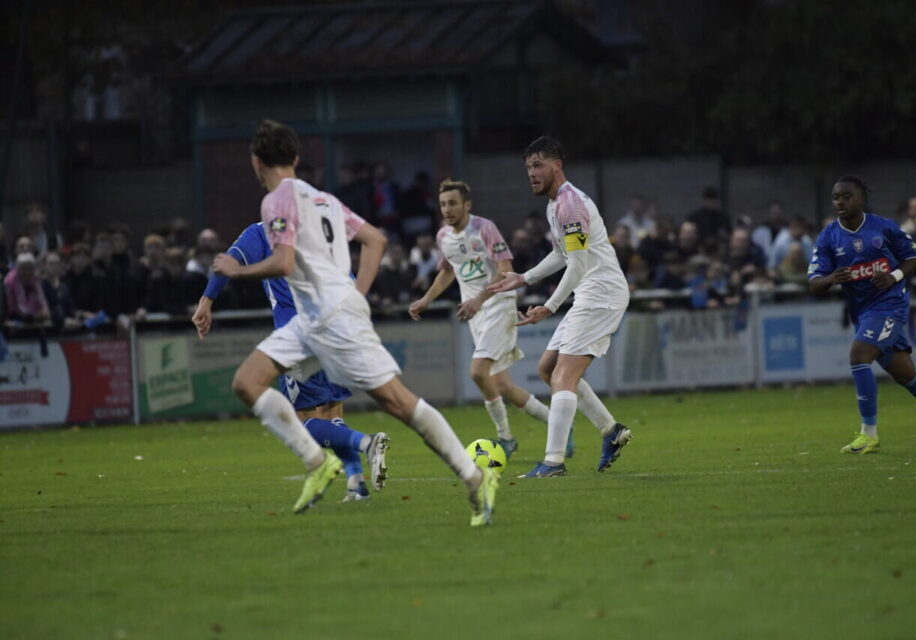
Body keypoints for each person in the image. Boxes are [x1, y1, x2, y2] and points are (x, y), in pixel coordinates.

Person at [211, 120, 498, 525]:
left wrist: (236, 271)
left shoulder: (276, 201)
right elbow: (375, 239)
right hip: (312, 318)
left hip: (331, 317)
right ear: (295, 158)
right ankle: (318, 462)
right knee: (247, 381)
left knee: (397, 402)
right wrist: (357, 293)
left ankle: (474, 477)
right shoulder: (324, 199)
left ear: (256, 162)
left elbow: (284, 263)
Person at [193, 220, 389, 502]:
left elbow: (228, 263)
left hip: (300, 337)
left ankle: (367, 443)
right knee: (332, 411)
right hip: (338, 328)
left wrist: (206, 301)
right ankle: (356, 485)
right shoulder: (315, 226)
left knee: (304, 421)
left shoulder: (262, 231)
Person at [488, 136, 632, 478]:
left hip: (602, 294)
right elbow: (561, 253)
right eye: (528, 167)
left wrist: (550, 306)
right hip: (590, 292)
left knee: (564, 376)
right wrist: (524, 278)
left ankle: (553, 462)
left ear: (558, 165)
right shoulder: (554, 205)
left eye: (538, 165)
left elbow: (578, 263)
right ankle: (611, 430)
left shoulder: (570, 204)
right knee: (548, 368)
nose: (531, 173)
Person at [408, 179, 559, 459]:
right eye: (443, 204)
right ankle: (559, 425)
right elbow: (447, 271)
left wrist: (478, 300)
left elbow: (505, 270)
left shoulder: (484, 228)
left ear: (467, 205)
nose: (447, 209)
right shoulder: (443, 236)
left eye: (453, 203)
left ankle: (506, 439)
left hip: (498, 305)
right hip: (476, 313)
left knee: (477, 372)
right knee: (502, 385)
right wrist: (426, 300)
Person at [808, 176, 916, 453]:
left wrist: (893, 276)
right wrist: (831, 278)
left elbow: (914, 257)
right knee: (907, 376)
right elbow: (814, 283)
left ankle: (869, 434)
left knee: (859, 356)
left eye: (847, 196)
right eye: (836, 197)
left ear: (861, 199)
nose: (840, 202)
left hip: (890, 304)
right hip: (863, 312)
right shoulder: (829, 236)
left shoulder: (883, 227)